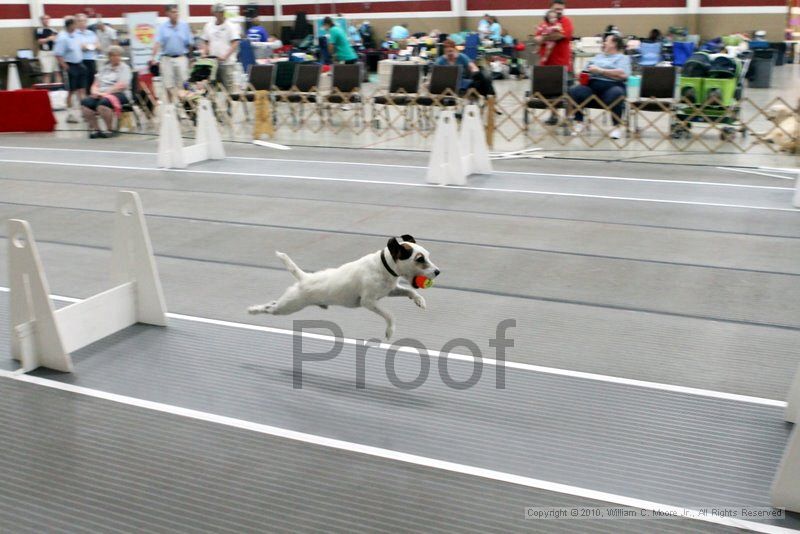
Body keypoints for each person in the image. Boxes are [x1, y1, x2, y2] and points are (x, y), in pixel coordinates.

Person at [567, 34, 630, 140]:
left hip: (611, 87)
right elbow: (586, 70)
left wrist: (600, 71)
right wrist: (582, 74)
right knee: (575, 91)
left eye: (606, 41)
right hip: (592, 87)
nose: (604, 43)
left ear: (614, 44)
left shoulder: (622, 58)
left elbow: (623, 74)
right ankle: (579, 123)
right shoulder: (597, 57)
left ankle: (616, 128)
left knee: (617, 93)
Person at [535, 0, 573, 124]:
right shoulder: (543, 23)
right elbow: (536, 39)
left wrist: (544, 37)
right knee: (551, 92)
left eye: (561, 9)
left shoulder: (566, 22)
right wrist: (543, 38)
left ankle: (569, 118)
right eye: (556, 9)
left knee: (567, 92)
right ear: (550, 9)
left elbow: (560, 36)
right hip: (547, 64)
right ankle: (554, 116)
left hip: (563, 64)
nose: (559, 11)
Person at [81, 45, 131, 138]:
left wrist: (106, 93)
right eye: (113, 55)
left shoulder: (125, 68)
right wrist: (95, 92)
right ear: (109, 57)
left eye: (117, 55)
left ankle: (109, 129)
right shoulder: (104, 68)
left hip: (119, 93)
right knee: (85, 103)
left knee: (103, 104)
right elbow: (96, 83)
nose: (115, 57)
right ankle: (96, 130)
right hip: (101, 93)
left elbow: (122, 85)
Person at [151, 4, 193, 100]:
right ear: (167, 13)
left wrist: (191, 59)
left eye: (177, 12)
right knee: (168, 85)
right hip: (167, 59)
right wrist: (153, 58)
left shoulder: (184, 26)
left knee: (183, 83)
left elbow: (190, 43)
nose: (176, 14)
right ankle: (171, 107)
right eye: (173, 12)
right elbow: (157, 43)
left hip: (181, 58)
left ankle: (184, 108)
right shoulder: (162, 27)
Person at [201, 3, 241, 92]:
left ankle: (229, 105)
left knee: (228, 87)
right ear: (214, 13)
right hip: (213, 63)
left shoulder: (230, 26)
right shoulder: (208, 26)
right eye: (219, 12)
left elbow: (235, 42)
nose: (221, 14)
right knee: (212, 87)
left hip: (227, 63)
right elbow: (205, 41)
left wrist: (225, 56)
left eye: (222, 12)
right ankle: (214, 104)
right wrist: (204, 52)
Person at [54, 17, 86, 123]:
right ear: (70, 25)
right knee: (71, 92)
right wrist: (65, 66)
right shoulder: (62, 38)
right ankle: (70, 114)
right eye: (76, 23)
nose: (77, 25)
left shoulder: (76, 34)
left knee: (82, 89)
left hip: (79, 64)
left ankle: (84, 112)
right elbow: (58, 55)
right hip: (70, 66)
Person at [76, 14, 99, 96]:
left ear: (86, 22)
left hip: (91, 60)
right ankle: (82, 100)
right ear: (76, 22)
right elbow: (81, 47)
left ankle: (90, 98)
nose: (82, 23)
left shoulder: (92, 33)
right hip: (80, 61)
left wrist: (88, 46)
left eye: (84, 21)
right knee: (81, 82)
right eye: (80, 21)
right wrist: (91, 46)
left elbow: (98, 46)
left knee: (91, 80)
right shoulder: (74, 34)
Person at [35, 15, 59, 83]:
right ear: (41, 21)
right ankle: (46, 90)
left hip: (54, 52)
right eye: (44, 19)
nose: (46, 20)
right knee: (47, 73)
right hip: (44, 53)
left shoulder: (53, 30)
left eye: (47, 19)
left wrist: (56, 39)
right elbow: (39, 41)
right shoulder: (39, 30)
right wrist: (48, 39)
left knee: (57, 72)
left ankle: (59, 90)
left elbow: (57, 40)